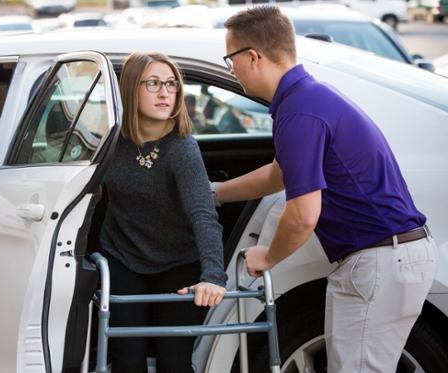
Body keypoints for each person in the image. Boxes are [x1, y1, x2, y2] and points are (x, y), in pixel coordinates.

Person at [214, 6, 439, 373]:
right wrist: (217, 193)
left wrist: (267, 257)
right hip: (386, 258)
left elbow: (303, 215)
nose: (231, 69)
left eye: (230, 59)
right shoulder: (307, 98)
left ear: (252, 57)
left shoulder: (299, 114)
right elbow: (278, 175)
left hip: (378, 262)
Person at [98, 51, 227, 373]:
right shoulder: (108, 142)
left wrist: (213, 276)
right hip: (123, 256)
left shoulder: (181, 147)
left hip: (177, 262)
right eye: (153, 83)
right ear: (130, 88)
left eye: (171, 84)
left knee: (174, 362)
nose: (165, 92)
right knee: (126, 360)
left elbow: (203, 213)